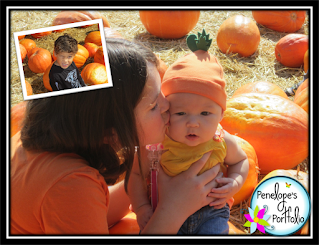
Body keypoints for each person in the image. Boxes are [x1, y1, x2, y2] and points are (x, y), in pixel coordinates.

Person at [11, 38, 221, 234]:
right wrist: (174, 209)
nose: (168, 105)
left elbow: (89, 212)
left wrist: (149, 185)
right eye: (154, 105)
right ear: (110, 132)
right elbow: (76, 198)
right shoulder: (70, 185)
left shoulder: (40, 143)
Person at [128, 42, 249, 234]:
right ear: (166, 111)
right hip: (163, 213)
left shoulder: (220, 139)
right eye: (181, 113)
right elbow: (134, 175)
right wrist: (142, 206)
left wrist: (235, 182)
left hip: (211, 213)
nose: (193, 123)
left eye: (205, 113)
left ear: (221, 115)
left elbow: (241, 160)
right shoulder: (156, 143)